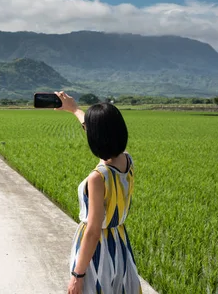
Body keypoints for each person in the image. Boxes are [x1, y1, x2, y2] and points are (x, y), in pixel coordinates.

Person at [55, 91, 142, 294]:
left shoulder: (98, 177)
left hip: (98, 252)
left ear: (96, 137)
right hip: (119, 244)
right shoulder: (127, 160)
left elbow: (93, 231)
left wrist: (78, 275)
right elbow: (101, 132)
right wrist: (74, 110)